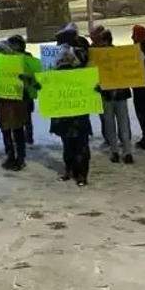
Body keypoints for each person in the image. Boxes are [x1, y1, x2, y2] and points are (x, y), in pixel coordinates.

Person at [49, 24, 93, 185]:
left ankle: (81, 173)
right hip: (63, 104)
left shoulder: (80, 53)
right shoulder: (55, 56)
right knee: (67, 141)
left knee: (80, 141)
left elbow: (86, 71)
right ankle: (70, 169)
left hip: (77, 103)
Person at [92, 29, 134, 164]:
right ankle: (121, 151)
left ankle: (121, 151)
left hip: (112, 95)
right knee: (117, 124)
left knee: (116, 124)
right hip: (114, 94)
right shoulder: (118, 54)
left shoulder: (104, 56)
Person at [0, 40, 29, 171]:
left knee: (17, 131)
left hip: (15, 103)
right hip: (2, 103)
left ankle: (20, 158)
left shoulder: (16, 64)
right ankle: (11, 156)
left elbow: (26, 82)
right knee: (6, 131)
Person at [7, 35, 36, 145]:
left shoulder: (28, 57)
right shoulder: (8, 58)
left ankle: (29, 138)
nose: (13, 47)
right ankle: (19, 138)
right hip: (14, 92)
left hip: (26, 91)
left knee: (27, 118)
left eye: (15, 45)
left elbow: (34, 72)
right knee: (16, 117)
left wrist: (26, 77)